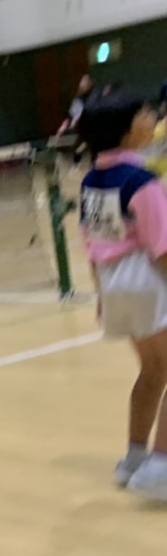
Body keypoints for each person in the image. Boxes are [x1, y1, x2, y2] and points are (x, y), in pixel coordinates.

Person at [74, 90, 167, 496]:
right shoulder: (142, 182)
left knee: (153, 371)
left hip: (113, 284)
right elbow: (162, 247)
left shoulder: (90, 182)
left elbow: (90, 244)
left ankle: (133, 459)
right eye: (144, 113)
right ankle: (160, 468)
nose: (152, 117)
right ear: (127, 132)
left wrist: (100, 295)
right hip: (146, 280)